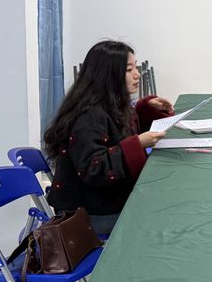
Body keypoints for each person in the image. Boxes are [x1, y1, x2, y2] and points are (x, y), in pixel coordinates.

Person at [43, 40, 175, 235]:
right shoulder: (89, 115)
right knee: (166, 217)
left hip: (106, 201)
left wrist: (145, 110)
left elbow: (117, 135)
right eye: (129, 70)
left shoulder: (111, 105)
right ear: (108, 75)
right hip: (89, 214)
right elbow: (93, 168)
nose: (137, 74)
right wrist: (137, 144)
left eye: (136, 67)